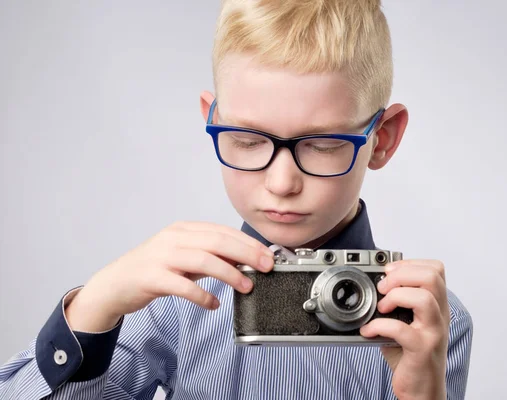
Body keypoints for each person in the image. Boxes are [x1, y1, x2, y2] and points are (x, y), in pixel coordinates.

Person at [0, 1, 473, 399]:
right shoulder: (176, 299)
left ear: (383, 139)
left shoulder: (423, 317)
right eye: (248, 141)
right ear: (212, 122)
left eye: (324, 144)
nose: (282, 182)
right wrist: (94, 308)